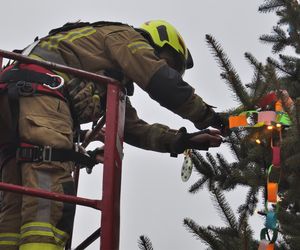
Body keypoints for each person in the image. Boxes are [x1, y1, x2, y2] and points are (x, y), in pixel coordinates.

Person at [0, 20, 227, 250]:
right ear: (159, 42)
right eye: (166, 61)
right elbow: (161, 81)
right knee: (48, 197)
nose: (157, 63)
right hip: (42, 96)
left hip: (11, 100)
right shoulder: (125, 37)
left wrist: (183, 140)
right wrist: (209, 116)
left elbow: (133, 129)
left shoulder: (99, 63)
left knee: (13, 206)